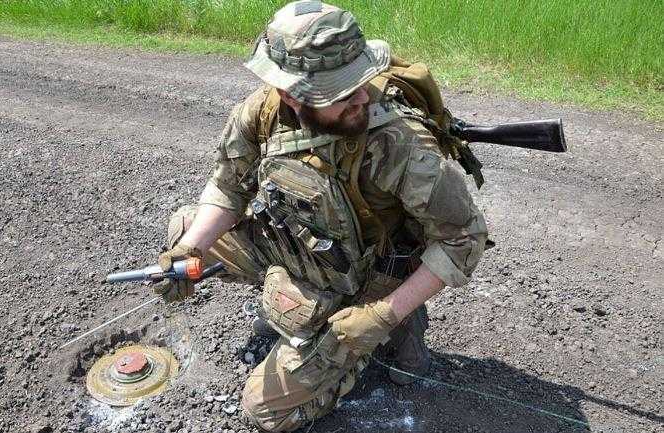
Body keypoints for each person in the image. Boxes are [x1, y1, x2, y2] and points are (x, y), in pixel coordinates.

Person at [154, 1, 488, 431]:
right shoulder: (263, 113)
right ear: (291, 95)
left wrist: (381, 316)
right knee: (185, 229)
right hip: (304, 245)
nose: (361, 98)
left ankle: (393, 327)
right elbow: (228, 187)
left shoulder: (400, 146)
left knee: (266, 411)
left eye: (361, 81)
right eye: (341, 94)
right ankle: (302, 309)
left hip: (370, 273)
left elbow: (462, 238)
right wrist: (190, 249)